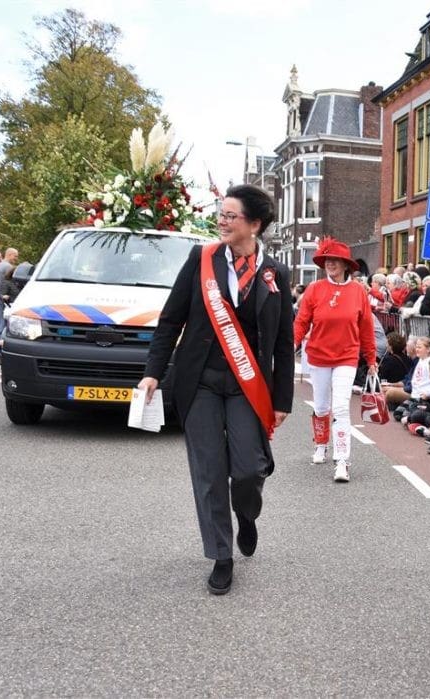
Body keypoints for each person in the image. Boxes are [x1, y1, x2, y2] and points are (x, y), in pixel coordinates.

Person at [138, 184, 293, 596]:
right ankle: (221, 555)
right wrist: (153, 372)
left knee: (248, 469)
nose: (221, 222)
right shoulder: (201, 259)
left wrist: (282, 399)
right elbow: (171, 319)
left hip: (248, 386)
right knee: (208, 472)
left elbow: (283, 342)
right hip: (201, 382)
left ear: (254, 224)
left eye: (230, 216)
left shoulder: (276, 273)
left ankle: (246, 513)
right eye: (221, 214)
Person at [294, 237, 377, 483]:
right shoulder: (315, 289)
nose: (330, 264)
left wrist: (371, 358)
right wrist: (291, 344)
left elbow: (366, 328)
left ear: (345, 264)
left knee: (340, 407)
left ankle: (342, 461)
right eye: (327, 260)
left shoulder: (358, 291)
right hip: (318, 355)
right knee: (321, 406)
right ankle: (321, 444)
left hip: (346, 356)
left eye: (335, 260)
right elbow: (302, 322)